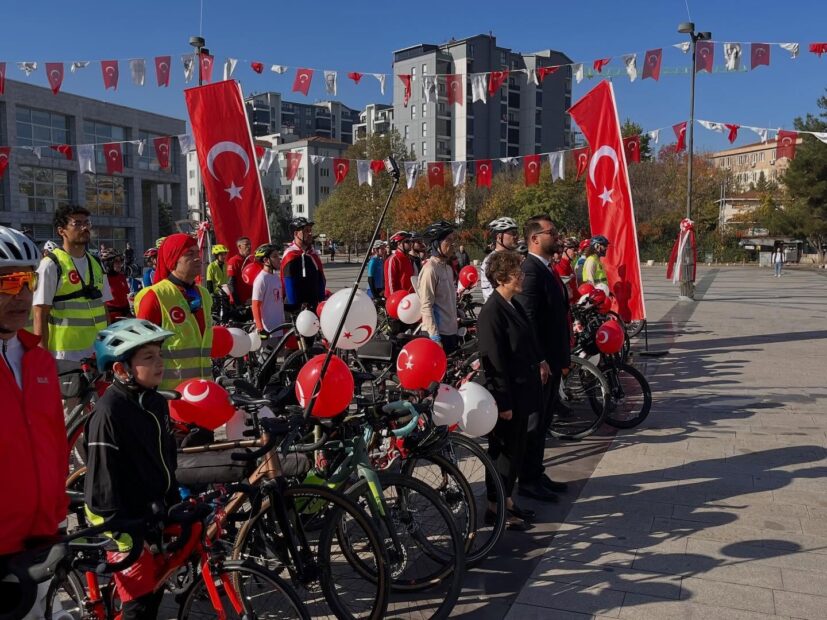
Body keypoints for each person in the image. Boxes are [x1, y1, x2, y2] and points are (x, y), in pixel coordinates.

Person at [84, 318, 179, 620]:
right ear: (121, 368)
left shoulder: (155, 403)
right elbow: (101, 487)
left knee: (155, 594)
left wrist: (174, 502)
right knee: (138, 607)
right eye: (148, 357)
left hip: (151, 512)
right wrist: (125, 532)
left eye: (160, 355)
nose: (159, 363)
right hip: (122, 520)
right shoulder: (109, 412)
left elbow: (166, 460)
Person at [0, 227, 68, 620]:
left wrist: (58, 514)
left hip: (42, 536)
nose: (23, 295)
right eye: (9, 281)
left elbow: (55, 443)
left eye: (28, 281)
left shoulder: (38, 359)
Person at [477, 250, 548, 531]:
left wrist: (540, 361)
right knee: (503, 453)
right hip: (508, 397)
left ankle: (507, 501)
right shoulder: (492, 312)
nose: (522, 276)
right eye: (517, 273)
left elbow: (526, 340)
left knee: (515, 450)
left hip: (523, 392)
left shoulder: (512, 304)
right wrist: (503, 402)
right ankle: (495, 507)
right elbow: (493, 361)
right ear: (502, 278)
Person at [515, 214, 570, 503]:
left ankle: (536, 472)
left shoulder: (546, 269)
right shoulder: (531, 270)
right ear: (535, 238)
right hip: (541, 364)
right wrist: (539, 360)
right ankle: (527, 480)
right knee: (534, 424)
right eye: (551, 232)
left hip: (552, 359)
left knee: (545, 420)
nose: (557, 236)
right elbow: (528, 320)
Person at [33, 205, 112, 361]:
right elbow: (40, 313)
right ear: (61, 231)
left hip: (98, 353)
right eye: (77, 223)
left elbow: (104, 309)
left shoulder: (96, 263)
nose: (84, 227)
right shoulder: (51, 265)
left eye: (87, 223)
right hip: (65, 356)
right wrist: (42, 358)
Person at [134, 233, 212, 390]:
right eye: (190, 254)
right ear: (173, 259)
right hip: (170, 395)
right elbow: (141, 351)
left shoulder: (204, 294)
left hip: (204, 391)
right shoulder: (155, 296)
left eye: (198, 253)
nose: (198, 258)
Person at [417, 220, 460, 353]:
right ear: (436, 244)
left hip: (451, 332)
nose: (453, 244)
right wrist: (435, 337)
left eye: (454, 240)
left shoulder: (447, 268)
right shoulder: (430, 269)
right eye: (448, 240)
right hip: (437, 335)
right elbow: (426, 306)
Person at [281, 218, 326, 313]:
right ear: (296, 234)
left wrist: (322, 300)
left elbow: (321, 279)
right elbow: (289, 283)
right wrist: (295, 307)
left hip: (314, 305)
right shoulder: (290, 254)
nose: (310, 234)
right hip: (296, 308)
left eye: (310, 230)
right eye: (306, 231)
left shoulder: (313, 254)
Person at [480, 217, 520, 301]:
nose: (516, 236)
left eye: (517, 232)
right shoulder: (490, 260)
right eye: (513, 233)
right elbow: (490, 294)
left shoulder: (514, 257)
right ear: (499, 237)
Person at [251, 243, 285, 341]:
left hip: (278, 326)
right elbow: (255, 305)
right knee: (265, 356)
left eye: (278, 256)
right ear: (266, 260)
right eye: (274, 256)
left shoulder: (275, 277)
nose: (278, 259)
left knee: (278, 355)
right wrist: (260, 328)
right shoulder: (261, 279)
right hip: (267, 329)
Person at [100, 248, 132, 322]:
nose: (119, 264)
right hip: (111, 317)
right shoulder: (103, 278)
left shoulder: (121, 277)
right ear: (108, 263)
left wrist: (129, 312)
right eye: (116, 261)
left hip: (124, 315)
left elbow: (125, 298)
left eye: (121, 261)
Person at [384, 231, 416, 296]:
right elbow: (390, 284)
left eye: (411, 241)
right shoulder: (393, 259)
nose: (410, 243)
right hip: (398, 299)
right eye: (407, 241)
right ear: (399, 243)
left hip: (409, 297)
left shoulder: (408, 258)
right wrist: (394, 299)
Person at [226, 236, 253, 306]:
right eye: (246, 245)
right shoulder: (234, 261)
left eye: (250, 244)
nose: (249, 247)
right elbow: (231, 284)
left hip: (250, 300)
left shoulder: (249, 261)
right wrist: (238, 304)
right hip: (239, 303)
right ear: (239, 247)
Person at [553, 237, 581, 303]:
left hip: (574, 303)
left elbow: (574, 288)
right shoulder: (559, 266)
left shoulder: (569, 265)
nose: (576, 252)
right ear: (565, 249)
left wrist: (581, 298)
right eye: (574, 250)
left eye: (577, 250)